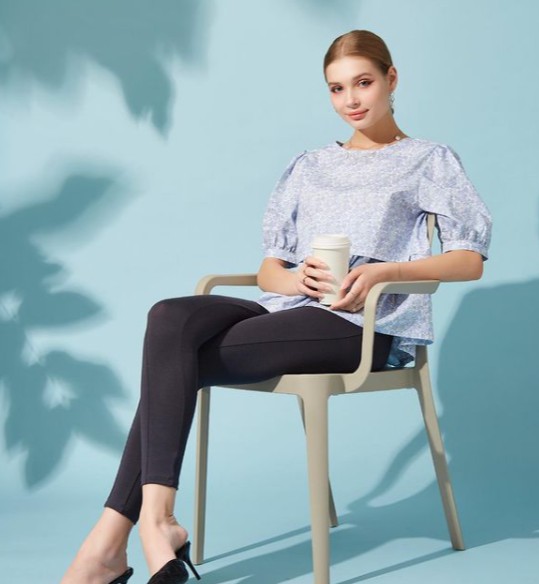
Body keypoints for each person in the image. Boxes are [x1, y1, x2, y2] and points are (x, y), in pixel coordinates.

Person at [61, 29, 492, 584]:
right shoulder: (309, 165)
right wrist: (295, 279)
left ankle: (112, 542)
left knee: (174, 365)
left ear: (392, 79)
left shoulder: (428, 160)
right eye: (336, 89)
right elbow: (270, 269)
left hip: (363, 325)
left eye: (363, 83)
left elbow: (468, 260)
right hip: (286, 311)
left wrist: (386, 271)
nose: (351, 100)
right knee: (169, 318)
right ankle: (152, 525)